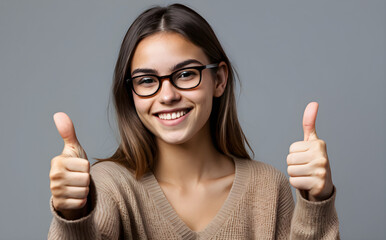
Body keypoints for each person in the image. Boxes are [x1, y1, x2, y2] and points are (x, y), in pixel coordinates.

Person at [48, 3, 339, 239]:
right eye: (147, 80)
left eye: (186, 74)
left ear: (219, 80)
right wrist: (73, 217)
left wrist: (317, 202)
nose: (167, 95)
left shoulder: (267, 188)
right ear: (131, 94)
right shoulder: (111, 186)